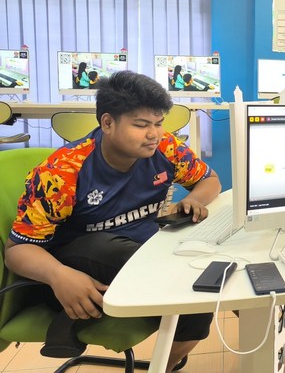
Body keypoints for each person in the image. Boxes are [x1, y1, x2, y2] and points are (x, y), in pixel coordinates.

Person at [5, 71, 221, 373]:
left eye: (158, 123)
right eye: (141, 125)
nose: (154, 134)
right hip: (75, 269)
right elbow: (16, 250)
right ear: (107, 123)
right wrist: (58, 275)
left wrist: (195, 198)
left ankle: (165, 365)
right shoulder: (62, 171)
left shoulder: (166, 148)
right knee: (126, 257)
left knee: (199, 288)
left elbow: (210, 180)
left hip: (143, 254)